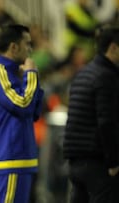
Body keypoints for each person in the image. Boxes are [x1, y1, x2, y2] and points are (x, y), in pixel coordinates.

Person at [0, 24, 44, 203]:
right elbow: (23, 104)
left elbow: (34, 112)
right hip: (8, 160)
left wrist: (29, 77)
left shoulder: (14, 73)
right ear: (14, 47)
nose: (30, 50)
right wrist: (31, 74)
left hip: (19, 159)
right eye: (27, 44)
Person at [63, 23, 119, 203]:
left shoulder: (83, 74)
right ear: (113, 48)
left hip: (75, 160)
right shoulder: (106, 76)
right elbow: (106, 121)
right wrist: (113, 161)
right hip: (97, 162)